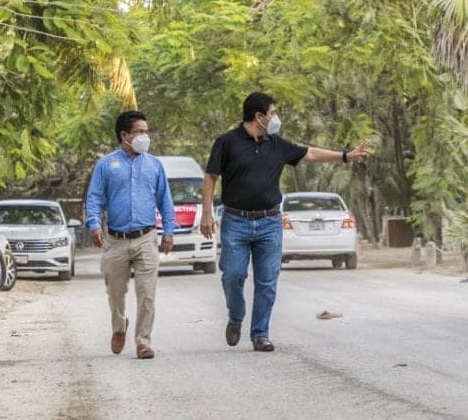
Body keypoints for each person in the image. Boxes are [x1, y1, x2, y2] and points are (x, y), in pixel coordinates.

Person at [200, 92, 372, 352]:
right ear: (259, 117)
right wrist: (206, 214)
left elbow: (311, 153)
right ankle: (236, 317)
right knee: (233, 275)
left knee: (267, 281)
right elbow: (211, 176)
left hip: (269, 222)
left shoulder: (277, 144)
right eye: (272, 113)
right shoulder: (226, 142)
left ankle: (260, 333)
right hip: (236, 221)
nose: (276, 117)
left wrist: (346, 156)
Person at [85, 110, 176, 360]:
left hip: (146, 237)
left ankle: (143, 341)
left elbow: (165, 200)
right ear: (125, 135)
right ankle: (119, 326)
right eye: (140, 132)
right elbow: (94, 198)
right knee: (115, 292)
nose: (145, 136)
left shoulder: (154, 165)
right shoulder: (106, 165)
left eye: (146, 131)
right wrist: (93, 224)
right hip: (116, 239)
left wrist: (168, 231)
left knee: (147, 293)